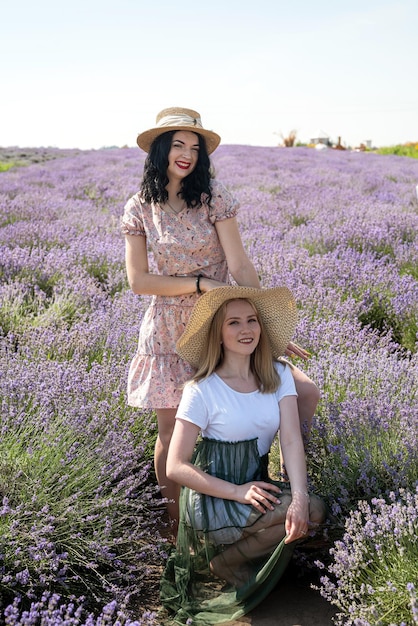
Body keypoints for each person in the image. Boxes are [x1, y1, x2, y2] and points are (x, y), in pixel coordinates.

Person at [120, 107, 320, 534]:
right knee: (172, 428)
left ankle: (282, 492)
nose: (187, 154)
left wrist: (269, 325)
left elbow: (240, 266)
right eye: (178, 144)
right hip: (170, 330)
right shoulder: (139, 207)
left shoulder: (214, 196)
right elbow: (138, 281)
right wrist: (199, 284)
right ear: (160, 150)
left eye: (194, 147)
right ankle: (178, 528)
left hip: (223, 320)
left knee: (303, 393)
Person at [160, 285, 326, 625]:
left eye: (252, 321)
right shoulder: (201, 388)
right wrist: (236, 491)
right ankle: (227, 561)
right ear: (218, 335)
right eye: (233, 323)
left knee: (312, 510)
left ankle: (229, 560)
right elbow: (175, 466)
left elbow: (292, 441)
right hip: (214, 498)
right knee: (296, 517)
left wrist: (298, 497)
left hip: (257, 490)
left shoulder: (278, 375)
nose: (246, 329)